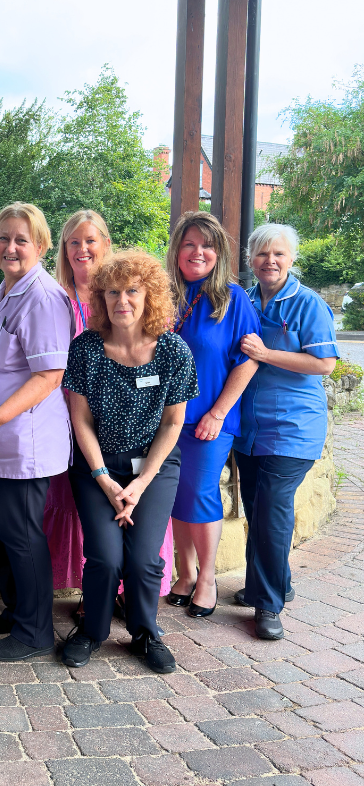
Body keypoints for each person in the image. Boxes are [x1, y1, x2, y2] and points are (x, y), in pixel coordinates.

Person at [61, 250, 198, 674]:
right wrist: (104, 478)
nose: (122, 300)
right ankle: (91, 631)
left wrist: (139, 486)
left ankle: (145, 633)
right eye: (112, 292)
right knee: (104, 557)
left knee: (142, 559)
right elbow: (79, 420)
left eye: (132, 291)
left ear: (150, 295)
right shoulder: (85, 349)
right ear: (100, 299)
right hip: (96, 466)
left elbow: (173, 425)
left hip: (153, 470)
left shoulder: (173, 351)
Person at [0, 202, 74, 662]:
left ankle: (36, 630)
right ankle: (19, 608)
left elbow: (49, 376)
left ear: (40, 246)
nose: (11, 247)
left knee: (21, 535)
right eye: (4, 237)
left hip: (21, 439)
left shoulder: (42, 297)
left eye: (21, 239)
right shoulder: (6, 290)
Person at [43, 210, 177, 616]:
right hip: (74, 422)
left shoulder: (136, 293)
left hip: (135, 440)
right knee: (87, 512)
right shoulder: (54, 298)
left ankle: (131, 597)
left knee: (134, 520)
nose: (82, 250)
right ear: (64, 252)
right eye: (73, 243)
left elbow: (165, 376)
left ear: (106, 243)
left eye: (90, 241)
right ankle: (96, 593)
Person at [234, 224, 337, 640]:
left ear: (291, 259)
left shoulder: (309, 304)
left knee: (272, 513)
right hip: (249, 429)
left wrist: (266, 354)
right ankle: (279, 582)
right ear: (250, 260)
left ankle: (268, 604)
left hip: (293, 428)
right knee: (259, 511)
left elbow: (324, 364)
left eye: (278, 254)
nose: (269, 261)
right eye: (261, 254)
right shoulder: (245, 300)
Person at [164, 212, 260, 618]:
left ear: (218, 253)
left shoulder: (232, 299)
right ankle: (185, 573)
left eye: (207, 245)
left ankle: (207, 578)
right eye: (189, 244)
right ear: (177, 250)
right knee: (173, 496)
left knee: (200, 494)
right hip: (165, 420)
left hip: (209, 421)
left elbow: (249, 360)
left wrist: (219, 413)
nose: (197, 252)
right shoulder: (163, 294)